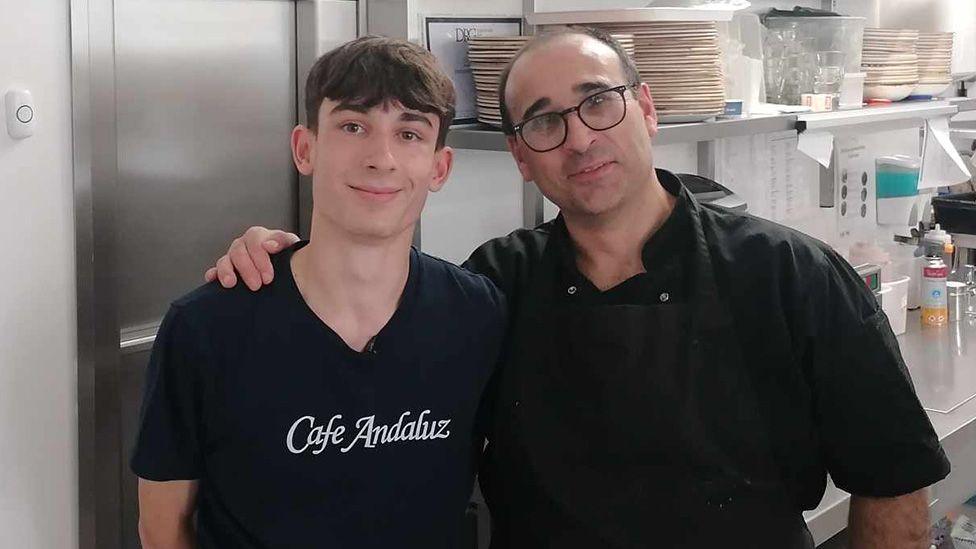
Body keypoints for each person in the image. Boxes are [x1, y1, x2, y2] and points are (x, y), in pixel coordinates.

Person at [206, 27, 949, 548]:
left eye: (599, 102)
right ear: (521, 159)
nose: (581, 138)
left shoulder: (793, 275)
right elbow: (362, 361)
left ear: (647, 109)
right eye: (544, 122)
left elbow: (892, 479)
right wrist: (278, 262)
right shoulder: (493, 285)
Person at [131, 36, 506, 549]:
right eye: (353, 126)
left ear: (439, 168)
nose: (382, 158)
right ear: (305, 149)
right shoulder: (207, 327)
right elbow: (162, 528)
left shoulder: (476, 315)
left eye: (410, 134)